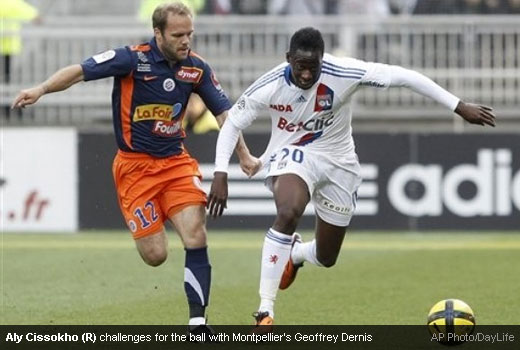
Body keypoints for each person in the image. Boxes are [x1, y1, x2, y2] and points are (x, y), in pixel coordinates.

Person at [207, 27, 496, 329]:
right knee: (289, 210)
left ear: (323, 59)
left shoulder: (344, 71)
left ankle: (295, 254)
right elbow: (231, 125)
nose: (306, 74)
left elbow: (405, 76)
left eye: (313, 66)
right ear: (288, 58)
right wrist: (220, 173)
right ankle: (265, 311)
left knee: (327, 255)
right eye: (300, 66)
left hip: (340, 163)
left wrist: (458, 106)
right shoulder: (270, 84)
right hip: (294, 154)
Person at [12, 2, 255, 333]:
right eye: (178, 35)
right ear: (158, 33)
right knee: (155, 255)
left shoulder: (196, 69)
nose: (186, 41)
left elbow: (226, 116)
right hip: (135, 169)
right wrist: (40, 89)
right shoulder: (131, 59)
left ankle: (198, 322)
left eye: (190, 34)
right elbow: (79, 71)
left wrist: (243, 155)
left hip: (175, 164)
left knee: (196, 234)